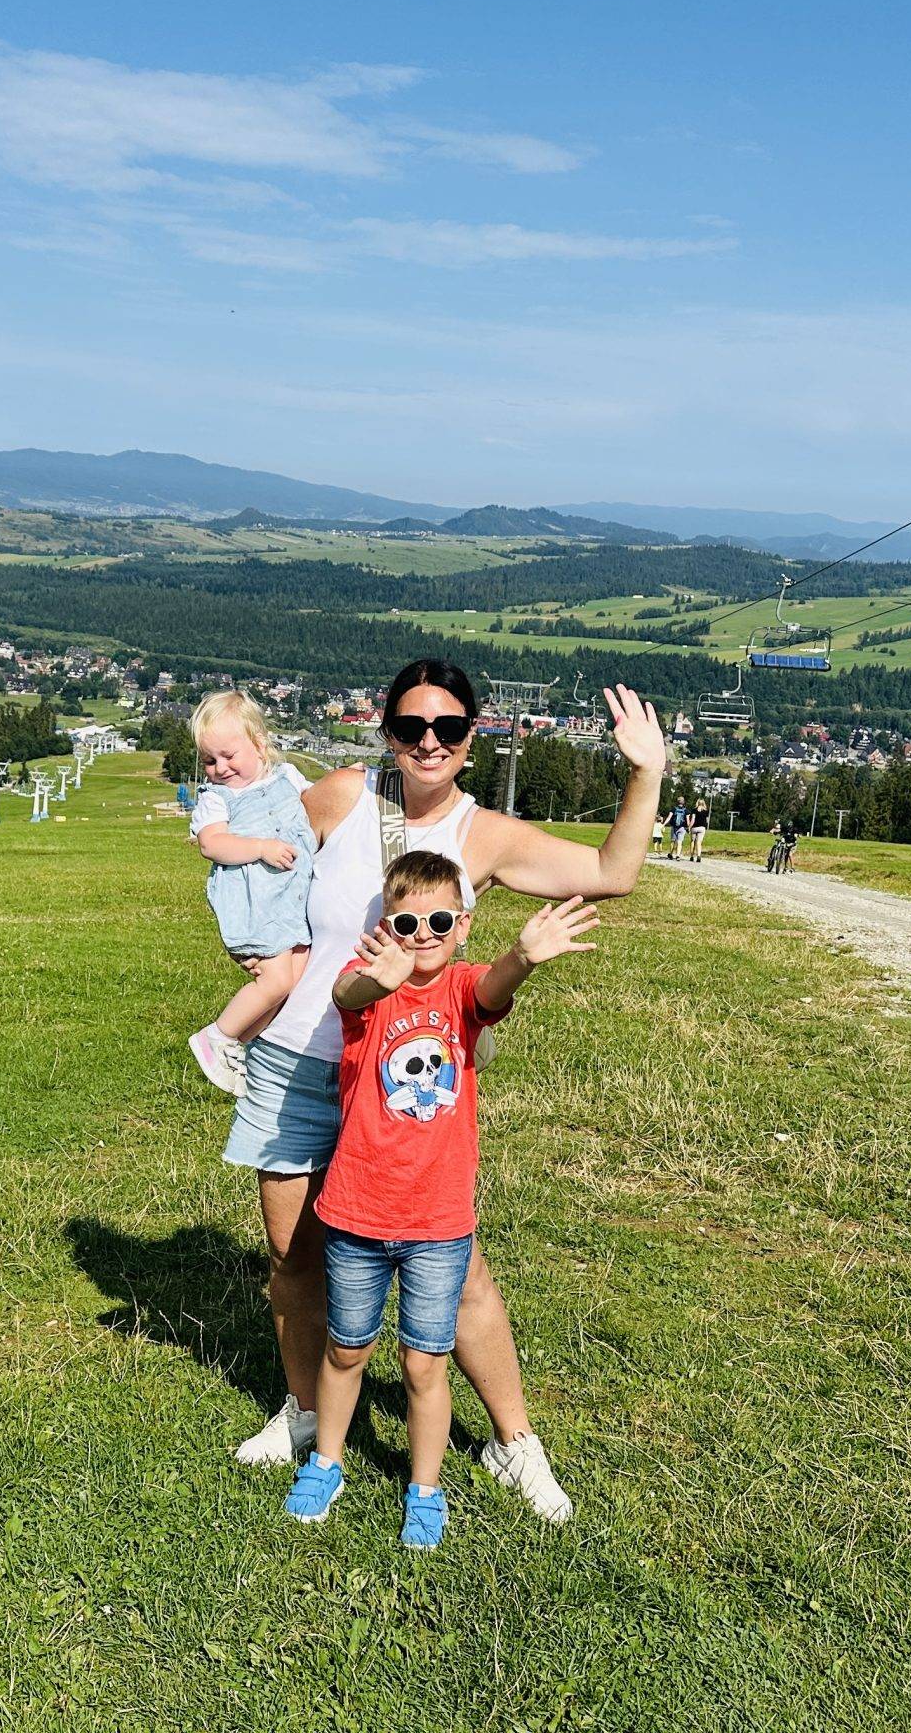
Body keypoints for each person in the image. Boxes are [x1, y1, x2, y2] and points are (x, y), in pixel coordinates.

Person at [224, 659, 666, 1525]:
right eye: (412, 726)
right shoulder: (344, 793)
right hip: (297, 1061)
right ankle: (307, 1414)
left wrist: (645, 771)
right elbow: (258, 866)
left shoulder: (485, 833)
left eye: (450, 728)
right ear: (386, 730)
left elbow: (615, 871)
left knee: (456, 1275)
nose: (429, 742)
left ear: (472, 736)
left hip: (402, 1082)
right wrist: (257, 949)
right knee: (294, 1260)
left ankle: (513, 1443)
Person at [283, 853, 598, 1548]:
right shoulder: (369, 989)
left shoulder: (461, 990)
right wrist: (377, 975)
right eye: (405, 921)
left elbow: (491, 990)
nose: (421, 933)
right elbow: (349, 997)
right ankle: (327, 1462)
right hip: (357, 1216)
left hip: (437, 1223)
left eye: (438, 920)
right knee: (346, 1351)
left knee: (424, 1363)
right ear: (385, 926)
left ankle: (424, 1486)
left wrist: (523, 956)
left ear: (462, 926)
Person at [185, 691, 316, 1093]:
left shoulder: (287, 778)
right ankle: (219, 1036)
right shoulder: (217, 800)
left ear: (259, 744)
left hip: (289, 903)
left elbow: (319, 802)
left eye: (228, 755)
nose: (220, 768)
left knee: (296, 978)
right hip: (256, 906)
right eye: (210, 761)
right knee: (276, 982)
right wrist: (259, 847)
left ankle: (245, 1045)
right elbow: (212, 844)